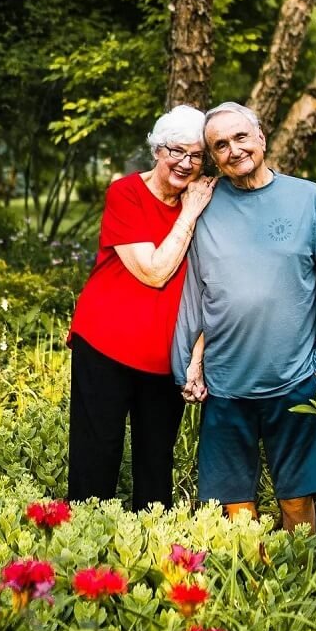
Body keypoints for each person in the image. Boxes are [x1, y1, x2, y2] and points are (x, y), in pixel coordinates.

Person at [172, 101, 316, 532]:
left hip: (295, 380)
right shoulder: (204, 206)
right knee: (236, 513)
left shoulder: (308, 198)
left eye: (240, 137)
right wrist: (186, 367)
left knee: (296, 504)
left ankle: (301, 585)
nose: (233, 150)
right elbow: (193, 294)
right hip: (226, 385)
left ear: (261, 138)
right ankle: (250, 589)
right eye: (220, 145)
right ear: (213, 157)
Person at [67, 104, 215, 511]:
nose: (185, 163)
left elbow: (210, 288)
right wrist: (187, 214)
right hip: (105, 344)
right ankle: (84, 557)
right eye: (176, 151)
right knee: (96, 457)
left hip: (166, 354)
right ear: (156, 150)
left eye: (196, 155)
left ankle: (149, 561)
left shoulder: (206, 200)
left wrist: (195, 358)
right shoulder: (126, 193)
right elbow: (154, 272)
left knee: (156, 464)